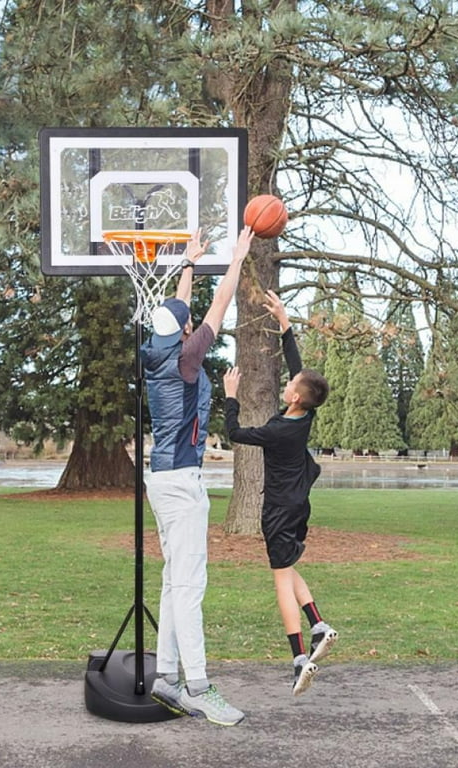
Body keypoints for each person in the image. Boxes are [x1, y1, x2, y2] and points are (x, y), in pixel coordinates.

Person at [141, 226, 254, 727]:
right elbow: (220, 303)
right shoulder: (188, 357)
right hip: (182, 483)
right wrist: (237, 258)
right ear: (186, 334)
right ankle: (199, 688)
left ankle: (166, 677)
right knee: (189, 587)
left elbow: (182, 312)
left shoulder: (159, 353)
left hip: (161, 479)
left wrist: (188, 263)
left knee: (172, 582)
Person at [222, 289, 337, 696]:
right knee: (287, 567)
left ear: (292, 397)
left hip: (278, 509)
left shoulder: (277, 431)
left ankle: (299, 658)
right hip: (296, 506)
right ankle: (319, 624)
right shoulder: (304, 414)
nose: (290, 380)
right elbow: (299, 368)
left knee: (279, 581)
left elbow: (235, 433)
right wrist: (285, 323)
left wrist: (231, 397)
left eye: (290, 383)